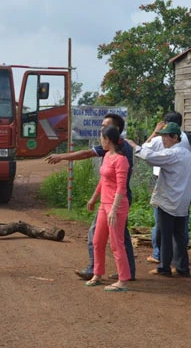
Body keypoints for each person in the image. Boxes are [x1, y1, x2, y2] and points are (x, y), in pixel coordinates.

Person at [45, 113, 136, 281]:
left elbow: (86, 154)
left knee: (103, 236)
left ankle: (96, 269)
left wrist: (62, 156)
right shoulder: (115, 149)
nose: (100, 130)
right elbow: (104, 179)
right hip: (110, 199)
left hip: (116, 200)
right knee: (119, 236)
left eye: (104, 127)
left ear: (112, 132)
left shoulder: (119, 151)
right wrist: (94, 197)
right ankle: (126, 271)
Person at [126, 122, 191, 277]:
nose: (163, 140)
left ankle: (164, 267)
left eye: (166, 136)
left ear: (175, 137)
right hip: (182, 201)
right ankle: (182, 267)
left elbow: (151, 157)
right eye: (162, 136)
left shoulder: (173, 153)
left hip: (169, 200)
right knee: (179, 235)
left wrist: (134, 146)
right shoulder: (187, 154)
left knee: (165, 235)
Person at [142, 111, 191, 264]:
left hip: (167, 184)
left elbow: (144, 150)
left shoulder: (160, 140)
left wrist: (155, 132)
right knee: (181, 228)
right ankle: (180, 262)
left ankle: (159, 257)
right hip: (185, 183)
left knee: (162, 226)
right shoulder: (190, 137)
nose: (164, 138)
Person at [85, 126, 131, 292]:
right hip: (104, 205)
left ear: (108, 140)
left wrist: (114, 209)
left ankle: (123, 279)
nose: (100, 141)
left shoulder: (121, 160)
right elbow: (102, 181)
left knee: (116, 243)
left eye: (102, 138)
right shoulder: (106, 157)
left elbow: (121, 188)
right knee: (97, 241)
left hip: (116, 207)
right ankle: (97, 274)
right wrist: (93, 199)